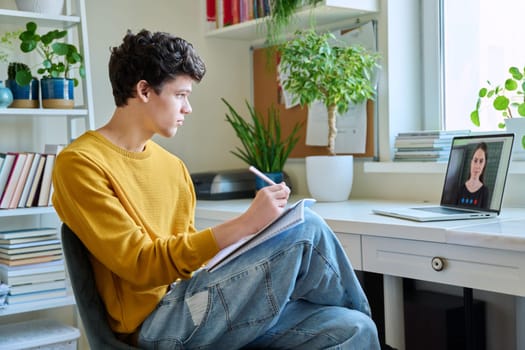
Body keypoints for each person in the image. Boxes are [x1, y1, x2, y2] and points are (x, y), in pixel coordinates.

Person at [52, 29, 380, 350]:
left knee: (354, 328)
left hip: (197, 298)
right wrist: (243, 225)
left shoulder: (172, 166)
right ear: (144, 90)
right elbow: (141, 264)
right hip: (158, 324)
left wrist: (251, 243)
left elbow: (189, 259)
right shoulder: (80, 163)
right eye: (180, 95)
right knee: (307, 229)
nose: (187, 108)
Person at [456, 142, 490, 209]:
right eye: (475, 160)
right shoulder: (460, 189)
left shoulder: (485, 192)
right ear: (471, 162)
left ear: (484, 165)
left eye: (481, 161)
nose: (477, 165)